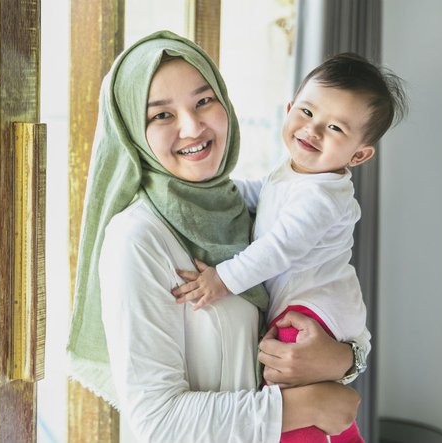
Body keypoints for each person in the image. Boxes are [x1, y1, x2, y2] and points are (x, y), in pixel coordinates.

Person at [66, 30, 362, 442]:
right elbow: (159, 424)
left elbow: (325, 298)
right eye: (161, 115)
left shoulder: (247, 211)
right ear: (134, 131)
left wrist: (344, 360)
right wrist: (308, 406)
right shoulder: (138, 238)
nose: (191, 127)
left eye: (204, 101)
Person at [171, 53, 408, 442]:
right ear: (289, 109)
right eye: (307, 112)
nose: (312, 131)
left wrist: (223, 280)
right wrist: (216, 194)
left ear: (359, 155)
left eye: (333, 128)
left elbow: (278, 249)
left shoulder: (322, 198)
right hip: (310, 303)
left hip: (317, 307)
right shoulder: (292, 171)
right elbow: (260, 198)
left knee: (285, 385)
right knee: (295, 389)